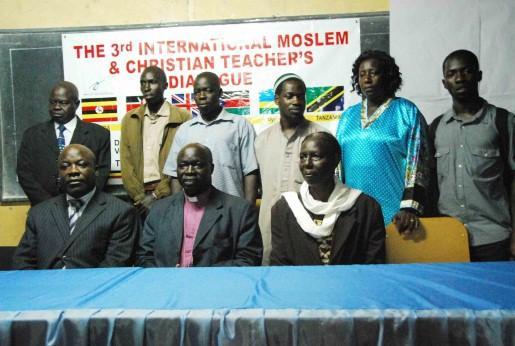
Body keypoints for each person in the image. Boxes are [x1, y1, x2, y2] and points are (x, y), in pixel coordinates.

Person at [428, 49, 515, 261]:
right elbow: (430, 185)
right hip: (448, 239)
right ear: (444, 82)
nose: (459, 78)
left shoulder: (503, 121)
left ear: (479, 75)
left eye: (466, 71)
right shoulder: (436, 128)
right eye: (452, 74)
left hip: (494, 240)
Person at [335, 50, 429, 233]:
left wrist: (409, 207)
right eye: (362, 74)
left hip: (395, 212)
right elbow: (337, 166)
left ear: (387, 76)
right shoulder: (347, 116)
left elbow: (418, 162)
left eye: (373, 73)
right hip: (351, 210)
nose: (367, 79)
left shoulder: (406, 111)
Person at [12, 144, 139, 269]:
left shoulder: (120, 212)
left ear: (96, 170)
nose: (73, 171)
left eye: (82, 164)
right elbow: (23, 262)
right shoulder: (39, 213)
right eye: (65, 166)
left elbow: (114, 264)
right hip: (45, 286)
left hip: (94, 287)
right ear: (58, 174)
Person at [137, 143, 262, 267]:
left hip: (217, 285)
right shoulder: (159, 210)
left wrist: (201, 278)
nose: (189, 171)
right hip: (168, 284)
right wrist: (167, 278)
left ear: (211, 168)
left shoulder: (240, 210)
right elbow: (144, 256)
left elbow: (249, 259)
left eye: (197, 165)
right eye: (183, 166)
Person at [270, 132, 385, 265]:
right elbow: (279, 264)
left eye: (316, 156)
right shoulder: (284, 208)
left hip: (351, 284)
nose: (307, 163)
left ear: (335, 160)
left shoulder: (366, 208)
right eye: (303, 157)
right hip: (300, 284)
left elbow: (374, 263)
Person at [255, 73, 327, 265]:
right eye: (290, 96)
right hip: (268, 229)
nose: (296, 101)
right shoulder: (262, 140)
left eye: (301, 96)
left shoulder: (321, 136)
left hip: (309, 227)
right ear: (277, 100)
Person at [163, 72, 258, 204]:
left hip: (232, 209)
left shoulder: (240, 125)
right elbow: (174, 174)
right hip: (194, 209)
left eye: (208, 91)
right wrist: (179, 210)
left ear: (219, 93)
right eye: (197, 92)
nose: (202, 96)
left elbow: (250, 171)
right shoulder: (184, 130)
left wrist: (249, 209)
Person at [17, 81, 110, 206]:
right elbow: (24, 173)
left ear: (76, 104)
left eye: (63, 103)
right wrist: (49, 205)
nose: (56, 107)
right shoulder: (32, 135)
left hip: (86, 209)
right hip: (43, 210)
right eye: (53, 102)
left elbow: (102, 173)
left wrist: (81, 201)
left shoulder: (98, 134)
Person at [121, 66, 191, 216]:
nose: (146, 87)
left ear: (165, 85)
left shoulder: (182, 117)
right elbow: (126, 164)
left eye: (152, 82)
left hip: (171, 193)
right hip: (137, 200)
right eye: (143, 82)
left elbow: (182, 164)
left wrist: (156, 195)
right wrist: (140, 198)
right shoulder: (130, 119)